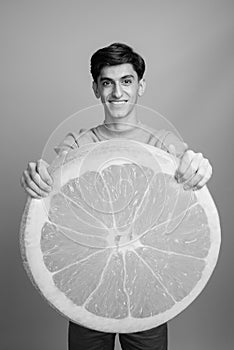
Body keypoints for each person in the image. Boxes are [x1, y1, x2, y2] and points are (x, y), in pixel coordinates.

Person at [20, 43, 212, 350]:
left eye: (126, 81)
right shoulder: (78, 142)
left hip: (147, 285)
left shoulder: (162, 142)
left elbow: (189, 167)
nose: (117, 92)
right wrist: (37, 178)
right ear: (96, 89)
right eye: (107, 82)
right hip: (90, 282)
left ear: (140, 86)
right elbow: (55, 192)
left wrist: (198, 167)